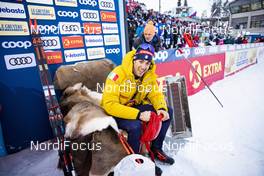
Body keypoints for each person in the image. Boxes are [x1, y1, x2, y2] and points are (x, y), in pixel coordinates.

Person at [101, 43, 175, 176]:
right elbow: (109, 105)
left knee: (168, 111)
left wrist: (161, 108)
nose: (143, 67)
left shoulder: (149, 75)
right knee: (135, 126)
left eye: (147, 63)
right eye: (140, 61)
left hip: (134, 108)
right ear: (134, 59)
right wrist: (139, 114)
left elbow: (155, 94)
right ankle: (135, 162)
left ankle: (156, 149)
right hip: (116, 112)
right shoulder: (117, 74)